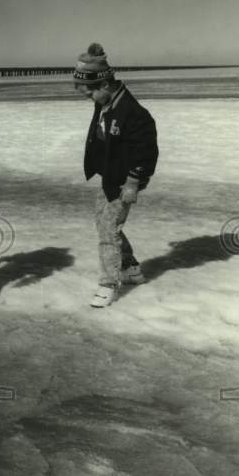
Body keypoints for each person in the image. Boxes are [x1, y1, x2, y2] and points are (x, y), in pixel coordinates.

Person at [74, 43, 159, 308]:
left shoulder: (134, 114)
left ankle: (108, 284)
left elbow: (147, 153)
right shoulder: (107, 101)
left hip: (125, 179)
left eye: (90, 93)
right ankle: (131, 267)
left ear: (105, 85)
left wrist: (133, 183)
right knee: (105, 223)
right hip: (111, 175)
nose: (89, 98)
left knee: (108, 229)